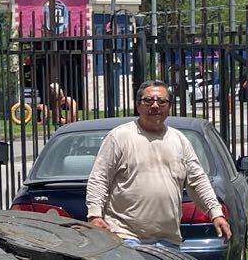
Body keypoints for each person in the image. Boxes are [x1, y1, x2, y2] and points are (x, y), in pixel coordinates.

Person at [85, 80, 232, 246]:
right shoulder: (120, 137)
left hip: (168, 240)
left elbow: (198, 181)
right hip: (125, 237)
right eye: (148, 101)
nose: (155, 106)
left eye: (162, 101)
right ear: (138, 105)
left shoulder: (179, 140)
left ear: (169, 106)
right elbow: (100, 178)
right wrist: (95, 215)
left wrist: (216, 213)